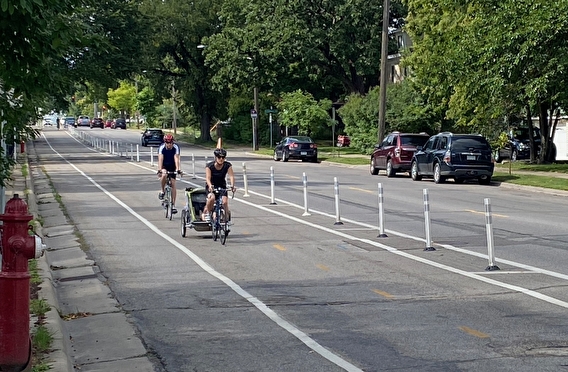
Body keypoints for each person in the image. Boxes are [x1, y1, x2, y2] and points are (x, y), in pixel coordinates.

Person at [203, 148, 236, 222]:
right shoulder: (209, 166)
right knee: (211, 198)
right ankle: (208, 213)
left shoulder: (227, 165)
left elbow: (231, 176)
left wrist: (232, 185)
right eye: (219, 157)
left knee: (224, 202)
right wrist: (210, 185)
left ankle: (226, 218)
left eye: (223, 157)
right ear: (215, 157)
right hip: (211, 186)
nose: (221, 159)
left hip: (222, 186)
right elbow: (207, 178)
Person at [157, 134, 182, 213]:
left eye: (170, 142)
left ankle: (173, 205)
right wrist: (160, 169)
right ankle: (162, 190)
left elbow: (176, 158)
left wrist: (178, 169)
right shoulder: (162, 148)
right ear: (165, 142)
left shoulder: (176, 147)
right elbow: (160, 159)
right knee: (164, 174)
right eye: (167, 143)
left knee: (173, 184)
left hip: (172, 165)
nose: (169, 144)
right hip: (164, 165)